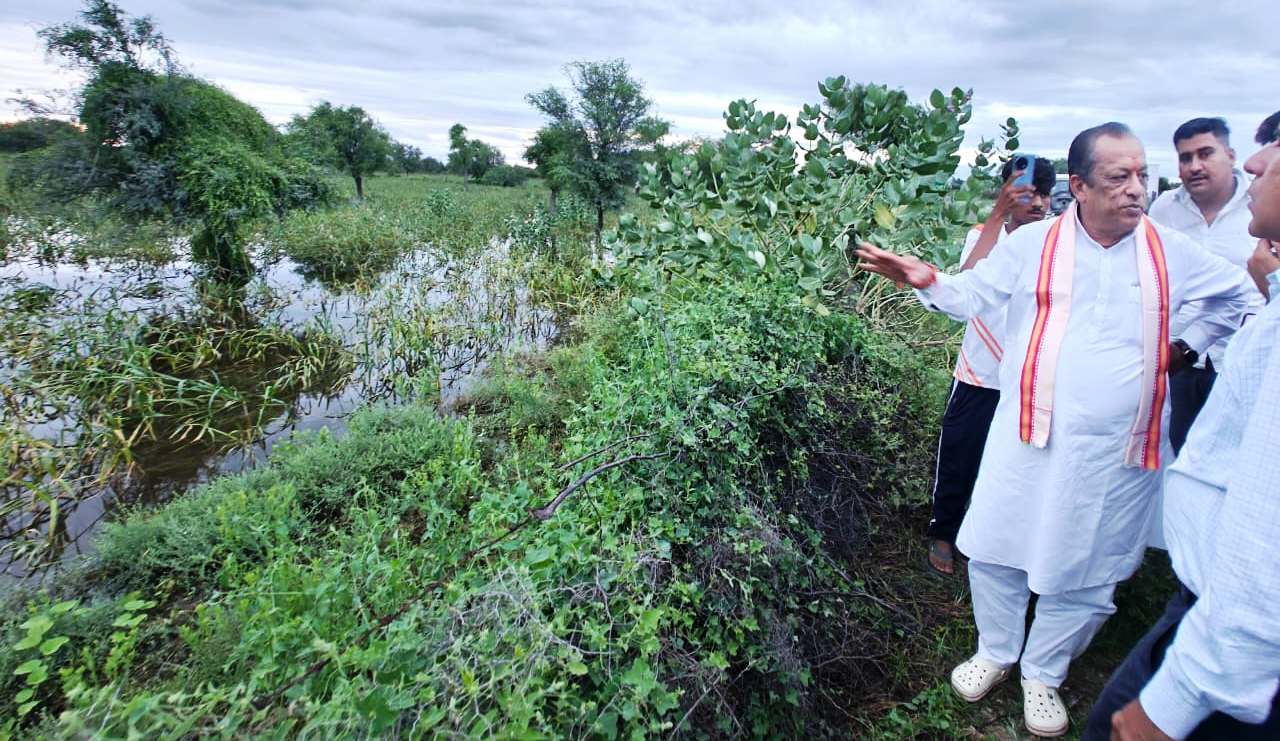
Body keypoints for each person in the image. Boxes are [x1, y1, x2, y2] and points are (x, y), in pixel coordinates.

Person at [855, 123, 1250, 738]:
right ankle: (996, 651)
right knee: (997, 546)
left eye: (1141, 175)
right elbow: (974, 296)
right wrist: (924, 279)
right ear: (1081, 186)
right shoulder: (1033, 243)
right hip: (1025, 434)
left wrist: (1187, 345)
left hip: (1115, 452)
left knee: (1090, 564)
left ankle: (1044, 672)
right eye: (1118, 177)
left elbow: (1240, 297)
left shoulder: (1170, 251)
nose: (1136, 189)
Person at [1085, 113, 1280, 741]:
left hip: (1227, 640)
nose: (1257, 165)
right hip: (1213, 606)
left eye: (1273, 152)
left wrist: (1178, 697)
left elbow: (1265, 534)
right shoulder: (1167, 215)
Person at [927, 157, 1055, 576]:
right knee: (959, 456)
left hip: (1028, 379)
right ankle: (943, 533)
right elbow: (962, 286)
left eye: (1044, 194)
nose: (1038, 203)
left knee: (1011, 466)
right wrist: (998, 215)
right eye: (1027, 193)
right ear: (1006, 193)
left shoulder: (1055, 243)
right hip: (979, 372)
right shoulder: (983, 235)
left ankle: (991, 542)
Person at [1149, 118, 1262, 454]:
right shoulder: (1165, 209)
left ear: (1230, 155)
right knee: (1179, 451)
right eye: (1185, 158)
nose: (1194, 166)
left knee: (1239, 453)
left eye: (1205, 153)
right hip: (1180, 358)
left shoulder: (1261, 202)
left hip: (1243, 356)